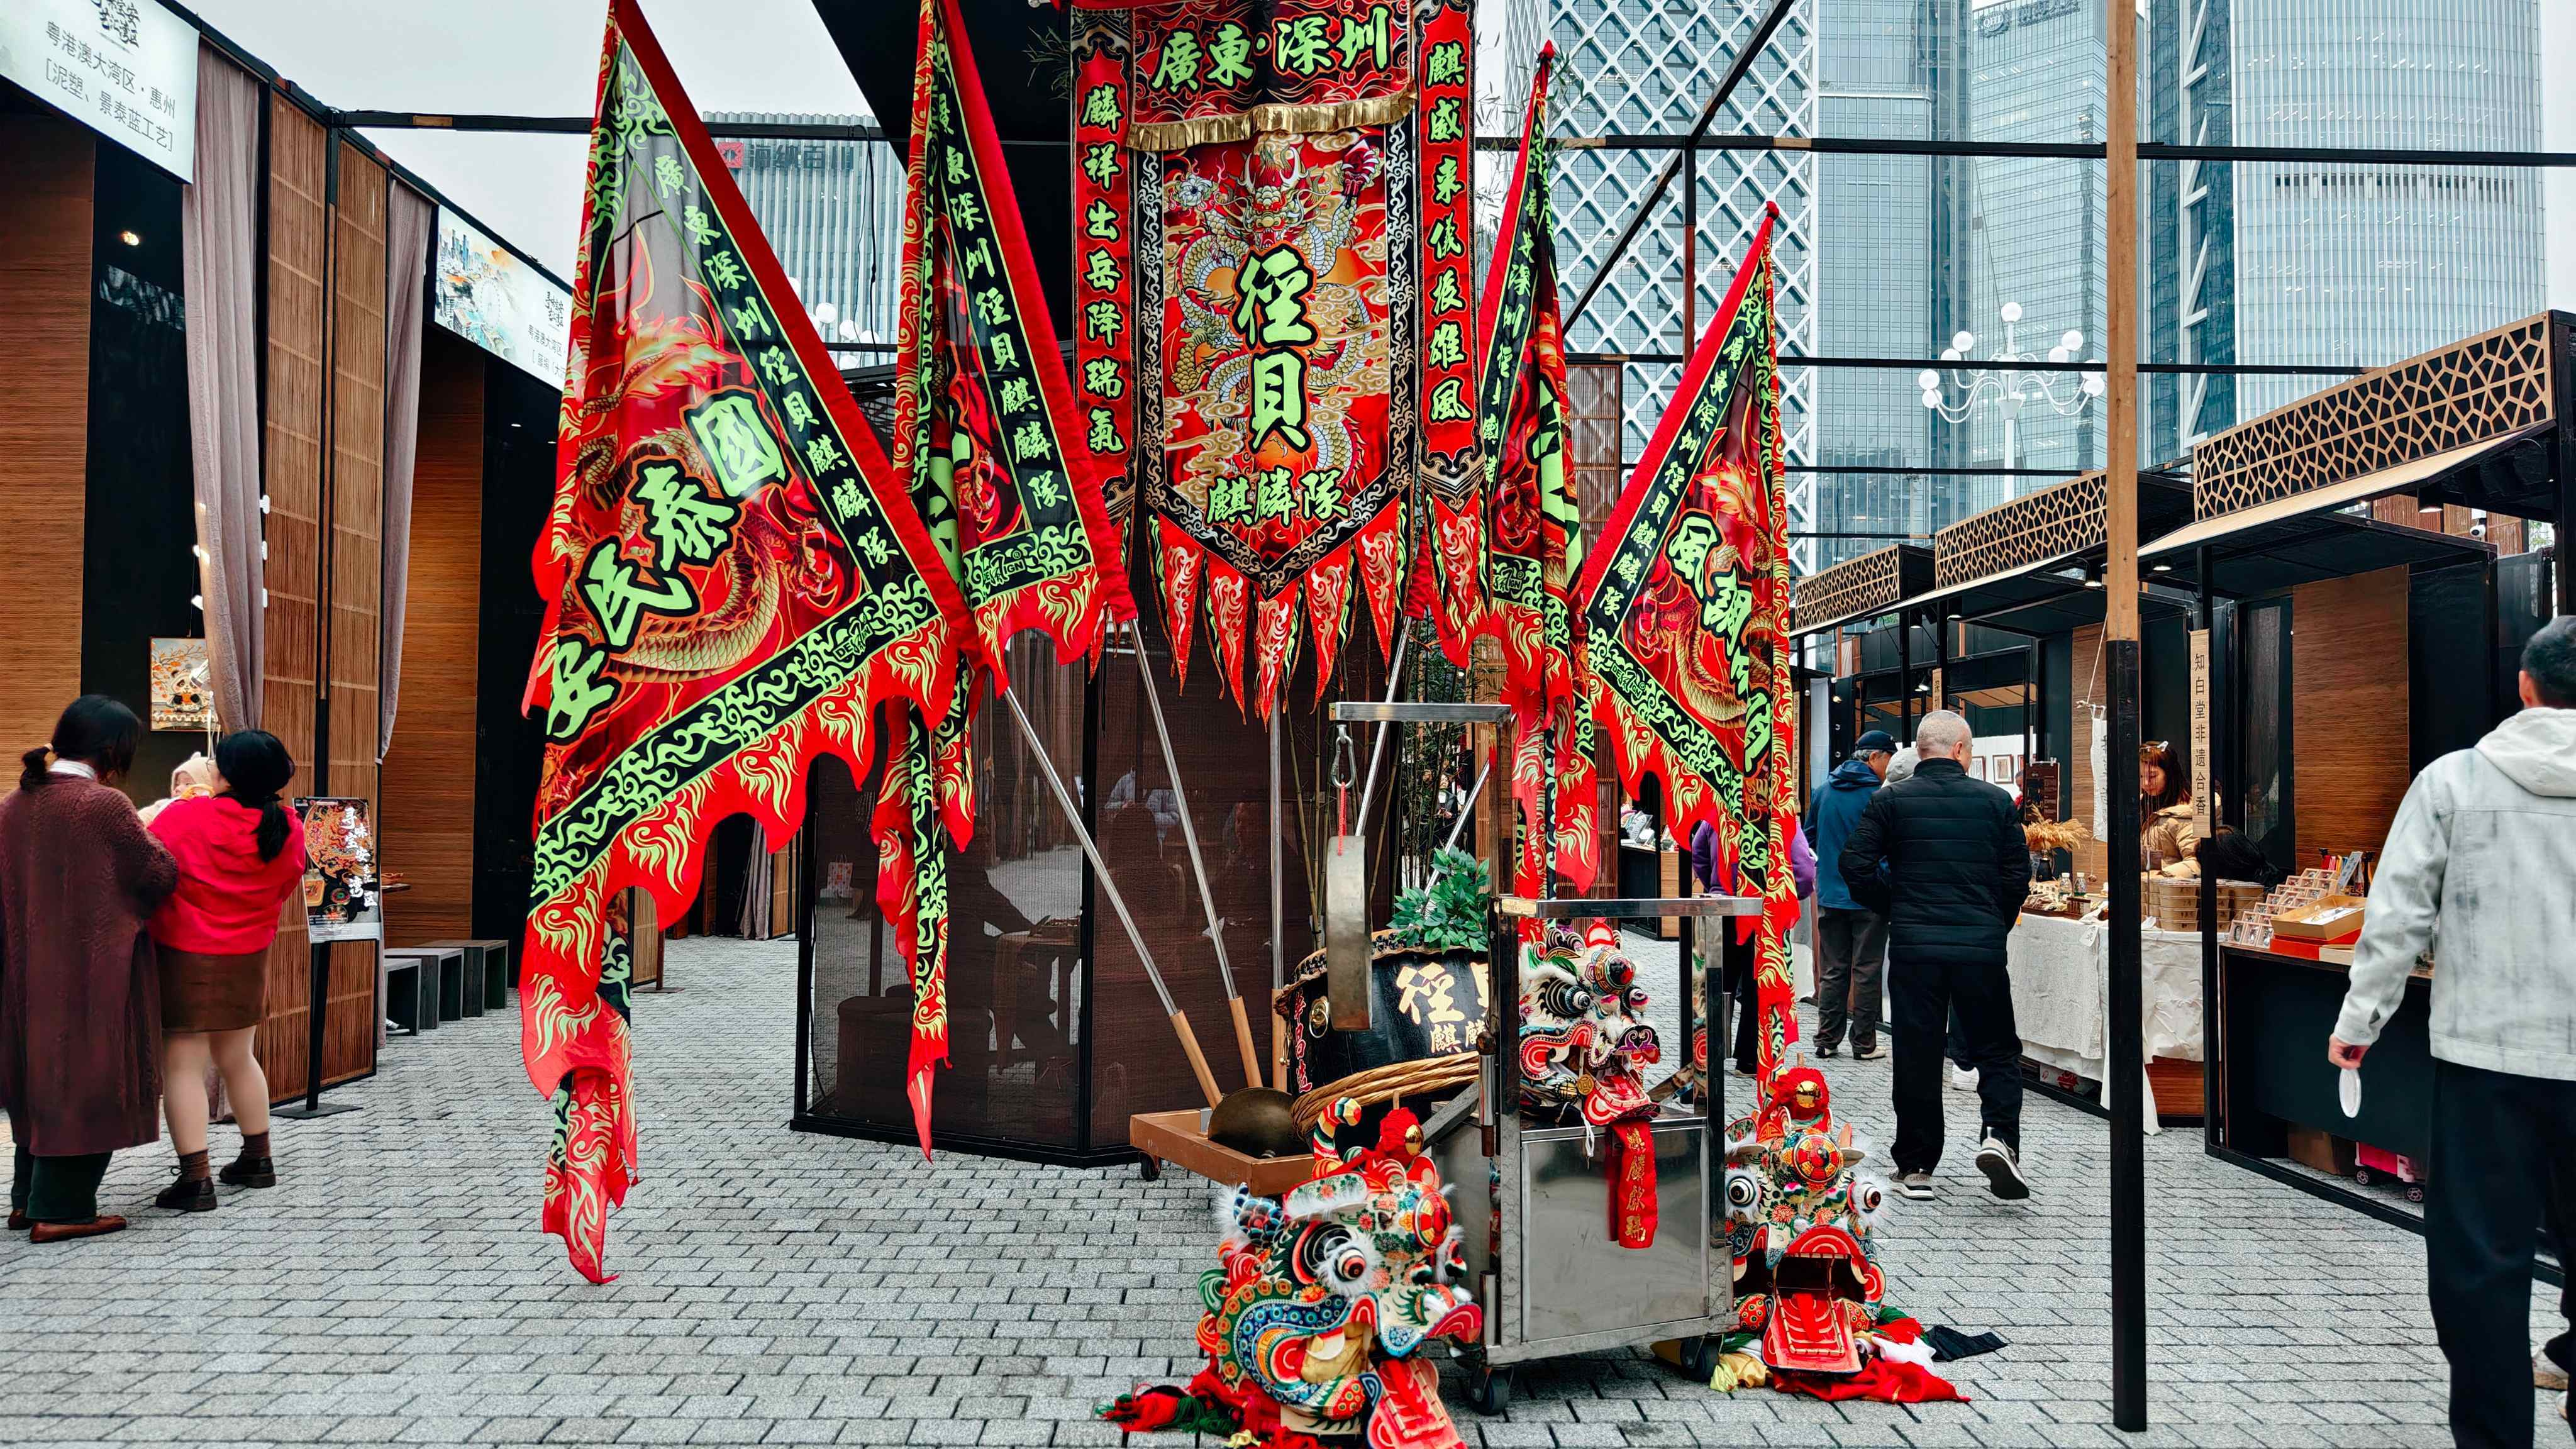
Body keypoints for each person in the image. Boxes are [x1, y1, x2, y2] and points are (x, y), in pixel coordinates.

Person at [2328, 616, 2576, 1449]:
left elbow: (2397, 916)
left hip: (2486, 1060)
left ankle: (2496, 1437)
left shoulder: (2455, 782)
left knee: (2480, 1270)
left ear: (2526, 688)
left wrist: (2361, 1020)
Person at [0, 696, 178, 1241]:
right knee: (87, 1076)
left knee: (38, 1079)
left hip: (25, 970)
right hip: (89, 968)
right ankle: (63, 1210)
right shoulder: (104, 805)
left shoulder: (14, 803)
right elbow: (155, 875)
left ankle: (28, 1201)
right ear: (110, 750)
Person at [1839, 709, 2032, 1202]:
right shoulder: (1996, 802)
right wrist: (1994, 921)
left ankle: (1918, 1165)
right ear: (1962, 750)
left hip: (1915, 948)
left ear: (1921, 751)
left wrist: (1895, 903)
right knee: (1996, 1047)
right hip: (1980, 948)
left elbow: (1854, 864)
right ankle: (1999, 1136)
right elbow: (2017, 878)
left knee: (1916, 1050)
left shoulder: (1892, 801)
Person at [142, 730, 306, 1211]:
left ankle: (195, 1179)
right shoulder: (288, 826)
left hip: (184, 952)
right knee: (239, 1056)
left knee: (183, 1065)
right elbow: (284, 886)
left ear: (226, 774)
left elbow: (149, 864)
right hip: (249, 952)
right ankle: (258, 1159)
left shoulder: (185, 817)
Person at [1693, 815, 1814, 1075]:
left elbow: (1699, 853)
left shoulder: (1718, 809)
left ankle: (1708, 1055)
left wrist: (1716, 886)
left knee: (1716, 981)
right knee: (1757, 985)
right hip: (1764, 911)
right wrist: (1787, 894)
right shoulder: (1781, 816)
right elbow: (1804, 871)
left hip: (1722, 909)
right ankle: (1748, 1059)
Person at [1806, 730, 1896, 1060]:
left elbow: (1809, 837)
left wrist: (1830, 861)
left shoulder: (1824, 790)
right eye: (1888, 758)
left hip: (1830, 893)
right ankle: (1864, 1044)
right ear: (1874, 757)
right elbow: (1890, 846)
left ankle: (1826, 1040)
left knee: (1833, 969)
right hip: (1870, 897)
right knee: (1867, 969)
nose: (1889, 766)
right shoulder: (1880, 795)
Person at [2138, 740, 2198, 870]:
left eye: (2153, 776)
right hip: (2144, 887)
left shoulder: (2188, 810)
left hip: (2171, 888)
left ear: (2170, 775)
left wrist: (2161, 876)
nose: (2146, 783)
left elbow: (2195, 863)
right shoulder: (2140, 805)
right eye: (2141, 777)